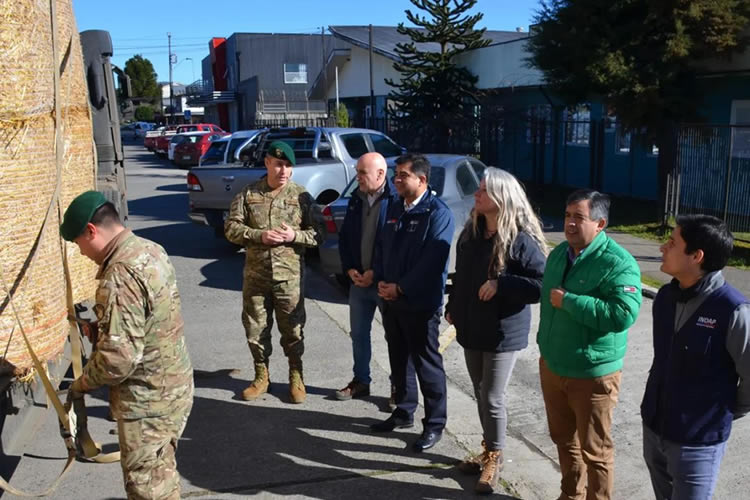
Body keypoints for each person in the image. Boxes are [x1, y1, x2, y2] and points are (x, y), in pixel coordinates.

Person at [60, 190, 194, 500]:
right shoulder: (150, 250)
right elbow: (153, 318)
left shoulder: (119, 274)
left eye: (79, 243)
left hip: (146, 404)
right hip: (172, 391)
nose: (81, 252)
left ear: (92, 231)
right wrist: (106, 329)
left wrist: (80, 385)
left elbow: (118, 360)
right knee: (161, 479)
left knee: (146, 490)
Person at [446, 168, 547, 494]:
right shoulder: (472, 232)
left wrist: (500, 284)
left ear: (501, 198)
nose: (476, 194)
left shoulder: (521, 238)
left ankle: (495, 458)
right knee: (480, 391)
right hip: (472, 325)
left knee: (492, 396)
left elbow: (541, 285)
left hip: (503, 331)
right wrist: (454, 307)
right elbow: (462, 275)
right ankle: (488, 447)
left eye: (483, 190)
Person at [537, 189, 642, 500]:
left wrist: (571, 302)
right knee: (563, 439)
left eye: (579, 218)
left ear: (600, 223)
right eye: (568, 216)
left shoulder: (618, 263)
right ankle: (571, 494)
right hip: (553, 366)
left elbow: (623, 314)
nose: (570, 223)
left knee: (595, 450)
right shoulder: (559, 253)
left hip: (592, 375)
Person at [641, 215, 750, 500]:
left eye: (673, 242)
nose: (663, 247)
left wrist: (722, 413)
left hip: (697, 443)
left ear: (696, 256)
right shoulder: (664, 298)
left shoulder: (733, 310)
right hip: (655, 428)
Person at [225, 141, 324, 404]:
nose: (283, 170)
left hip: (289, 278)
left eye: (288, 166)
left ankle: (296, 374)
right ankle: (261, 375)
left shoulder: (301, 196)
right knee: (256, 329)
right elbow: (231, 229)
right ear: (267, 162)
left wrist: (295, 235)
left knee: (292, 329)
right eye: (279, 164)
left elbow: (320, 234)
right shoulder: (248, 194)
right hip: (256, 277)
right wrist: (258, 235)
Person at [371, 153, 455, 453]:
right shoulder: (395, 207)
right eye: (395, 174)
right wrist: (381, 279)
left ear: (421, 180)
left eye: (402, 175)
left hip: (419, 304)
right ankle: (404, 410)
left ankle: (434, 425)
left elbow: (432, 262)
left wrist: (402, 288)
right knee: (399, 360)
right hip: (391, 301)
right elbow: (383, 247)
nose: (395, 179)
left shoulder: (437, 213)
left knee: (427, 365)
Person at [334, 152, 400, 401]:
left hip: (384, 283)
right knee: (359, 335)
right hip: (358, 283)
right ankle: (361, 381)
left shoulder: (395, 200)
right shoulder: (356, 199)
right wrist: (350, 268)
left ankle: (398, 385)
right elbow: (345, 238)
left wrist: (377, 272)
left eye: (362, 172)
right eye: (357, 171)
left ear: (381, 174)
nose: (357, 177)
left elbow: (395, 245)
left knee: (394, 337)